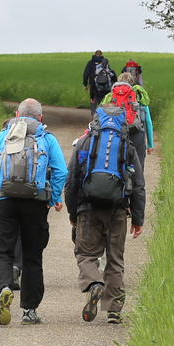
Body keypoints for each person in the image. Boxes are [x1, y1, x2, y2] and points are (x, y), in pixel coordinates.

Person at [0, 98, 67, 326]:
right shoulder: (47, 138)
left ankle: (4, 289)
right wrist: (53, 198)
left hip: (5, 201)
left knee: (1, 252)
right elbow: (61, 171)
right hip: (35, 202)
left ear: (17, 114)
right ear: (41, 117)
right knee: (32, 257)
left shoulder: (3, 136)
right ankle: (29, 311)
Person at [66, 94, 147, 324]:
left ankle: (94, 284)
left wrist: (73, 213)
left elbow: (72, 180)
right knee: (115, 258)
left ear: (96, 119)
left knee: (86, 254)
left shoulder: (84, 142)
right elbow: (138, 184)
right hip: (118, 210)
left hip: (88, 208)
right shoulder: (127, 146)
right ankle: (113, 311)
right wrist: (138, 218)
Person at [103, 73, 154, 158]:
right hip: (136, 133)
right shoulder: (138, 96)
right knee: (138, 165)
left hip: (116, 134)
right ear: (132, 83)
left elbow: (102, 115)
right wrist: (150, 144)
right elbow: (148, 121)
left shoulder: (111, 96)